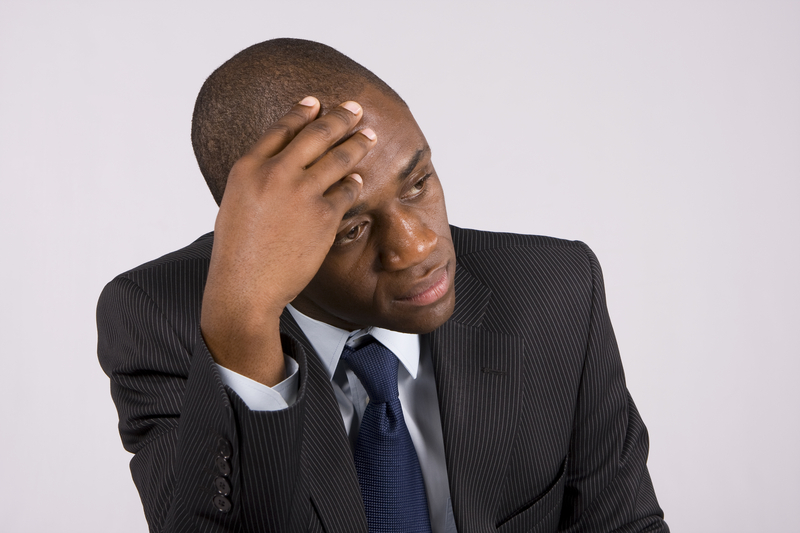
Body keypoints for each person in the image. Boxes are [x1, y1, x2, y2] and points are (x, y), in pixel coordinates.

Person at [97, 38, 668, 533]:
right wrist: (244, 326)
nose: (417, 247)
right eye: (352, 228)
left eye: (418, 182)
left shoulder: (555, 291)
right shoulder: (161, 321)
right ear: (261, 232)